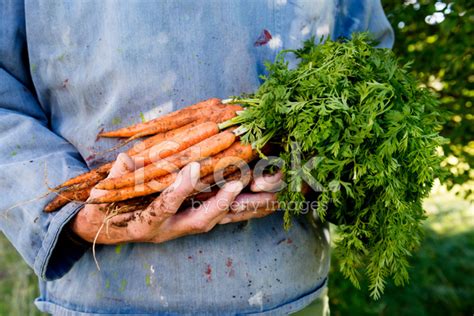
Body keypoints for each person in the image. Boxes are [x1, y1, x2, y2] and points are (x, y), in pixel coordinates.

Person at [0, 1, 393, 314]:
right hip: (94, 296)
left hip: (286, 290)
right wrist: (75, 217)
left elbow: (370, 78)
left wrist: (311, 165)